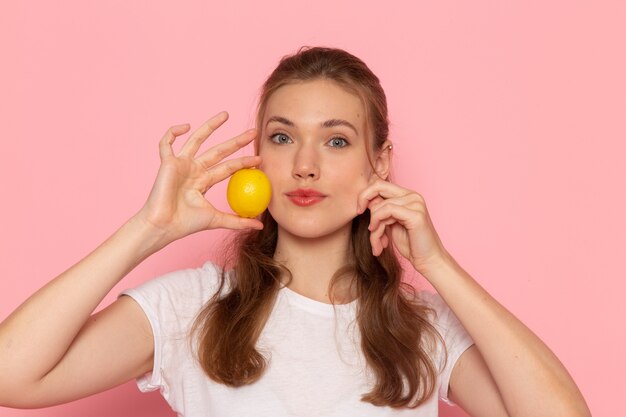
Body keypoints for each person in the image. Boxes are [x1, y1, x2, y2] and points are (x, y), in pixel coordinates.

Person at [0, 46, 590, 417]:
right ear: (258, 158)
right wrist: (147, 230)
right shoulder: (193, 307)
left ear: (379, 163)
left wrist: (439, 266)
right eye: (282, 137)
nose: (305, 165)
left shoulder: (422, 327)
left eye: (337, 140)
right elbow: (11, 375)